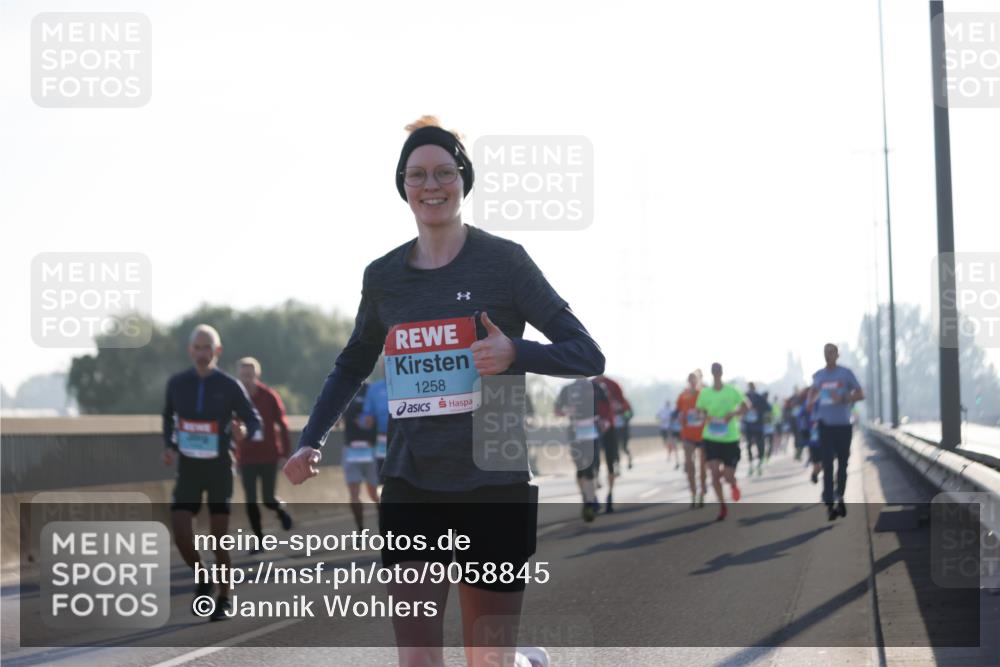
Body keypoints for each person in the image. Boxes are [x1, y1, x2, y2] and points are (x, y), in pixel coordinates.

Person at [282, 117, 604, 667]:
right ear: (403, 186)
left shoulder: (505, 262)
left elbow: (586, 354)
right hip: (412, 480)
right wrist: (311, 439)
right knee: (418, 662)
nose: (432, 185)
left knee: (487, 660)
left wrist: (515, 353)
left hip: (493, 477)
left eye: (444, 173)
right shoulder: (383, 277)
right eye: (418, 175)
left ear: (464, 180)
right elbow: (353, 362)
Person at [162, 324, 263, 621]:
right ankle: (202, 576)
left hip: (219, 466)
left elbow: (253, 419)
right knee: (180, 529)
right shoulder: (178, 384)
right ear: (190, 351)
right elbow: (168, 417)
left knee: (219, 538)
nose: (203, 353)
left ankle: (224, 597)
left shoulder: (230, 386)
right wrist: (169, 445)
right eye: (198, 347)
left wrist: (243, 430)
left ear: (217, 351)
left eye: (208, 348)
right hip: (189, 467)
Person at [233, 357, 294, 552]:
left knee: (268, 498)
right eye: (243, 375)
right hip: (246, 456)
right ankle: (259, 540)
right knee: (250, 499)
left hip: (268, 455)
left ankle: (280, 510)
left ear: (257, 375)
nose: (246, 379)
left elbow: (283, 425)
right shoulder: (234, 399)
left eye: (249, 375)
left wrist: (285, 452)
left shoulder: (269, 396)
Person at [806, 343, 864, 521]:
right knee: (828, 465)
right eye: (825, 352)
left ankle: (841, 497)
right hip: (825, 426)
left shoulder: (845, 373)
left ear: (837, 355)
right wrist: (809, 401)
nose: (828, 355)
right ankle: (830, 504)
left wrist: (844, 398)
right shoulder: (819, 375)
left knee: (843, 464)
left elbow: (861, 394)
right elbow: (813, 390)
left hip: (843, 426)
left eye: (831, 352)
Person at [695, 362, 748, 521]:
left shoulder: (732, 391)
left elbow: (746, 407)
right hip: (711, 438)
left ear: (722, 372)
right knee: (714, 473)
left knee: (727, 475)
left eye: (718, 370)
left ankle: (733, 484)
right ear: (712, 373)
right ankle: (722, 506)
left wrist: (732, 414)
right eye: (714, 370)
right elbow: (699, 412)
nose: (716, 373)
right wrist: (706, 417)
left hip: (730, 438)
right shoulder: (705, 393)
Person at [555, 378, 603, 522]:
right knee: (580, 468)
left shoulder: (595, 387)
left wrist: (604, 419)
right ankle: (587, 497)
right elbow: (557, 411)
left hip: (593, 432)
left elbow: (606, 405)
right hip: (575, 432)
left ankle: (590, 498)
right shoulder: (566, 389)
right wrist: (567, 411)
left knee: (592, 466)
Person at [341, 381, 380, 530]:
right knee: (354, 493)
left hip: (371, 449)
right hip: (351, 449)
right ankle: (360, 530)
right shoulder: (344, 389)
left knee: (374, 493)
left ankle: (385, 524)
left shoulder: (372, 390)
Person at [676, 372, 707, 508]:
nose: (692, 382)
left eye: (695, 379)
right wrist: (680, 417)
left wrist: (704, 414)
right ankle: (693, 493)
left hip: (703, 434)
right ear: (688, 381)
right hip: (688, 434)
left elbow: (709, 410)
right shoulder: (683, 395)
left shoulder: (704, 394)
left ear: (699, 380)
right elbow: (678, 411)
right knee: (689, 465)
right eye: (690, 380)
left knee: (702, 466)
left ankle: (702, 492)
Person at [596, 374, 633, 470]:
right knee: (614, 448)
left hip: (623, 428)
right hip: (613, 427)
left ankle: (629, 458)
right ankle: (617, 466)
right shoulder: (607, 403)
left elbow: (629, 414)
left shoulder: (625, 403)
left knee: (624, 447)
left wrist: (623, 415)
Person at [360, 376, 390, 477]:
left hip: (405, 437)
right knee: (380, 474)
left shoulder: (409, 384)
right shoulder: (374, 388)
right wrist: (366, 421)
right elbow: (366, 415)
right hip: (380, 437)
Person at [742, 382, 769, 477]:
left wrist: (758, 409)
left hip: (758, 426)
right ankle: (751, 465)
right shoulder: (744, 397)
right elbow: (738, 407)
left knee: (760, 446)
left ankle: (760, 465)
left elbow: (768, 408)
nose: (751, 389)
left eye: (752, 387)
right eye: (750, 387)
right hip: (748, 426)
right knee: (748, 445)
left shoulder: (759, 397)